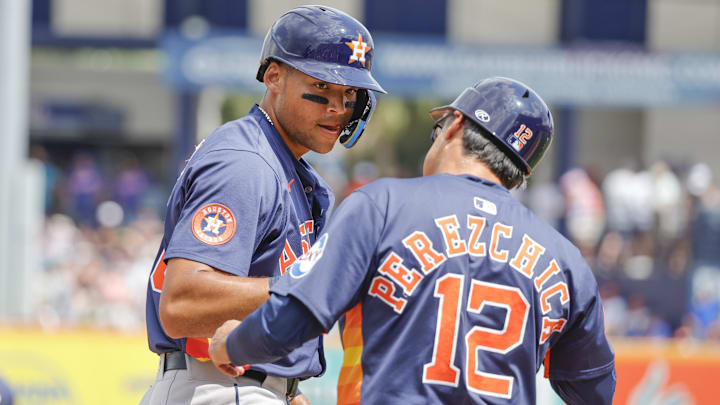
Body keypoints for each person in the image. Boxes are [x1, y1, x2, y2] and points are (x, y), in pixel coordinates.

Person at [209, 77, 616, 404]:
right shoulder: (565, 260)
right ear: (521, 172)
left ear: (455, 125)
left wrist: (232, 345)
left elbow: (291, 319)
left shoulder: (383, 204)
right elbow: (593, 391)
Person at [140, 5, 385, 405]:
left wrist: (289, 389)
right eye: (322, 86)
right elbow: (182, 301)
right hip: (217, 386)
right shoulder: (246, 162)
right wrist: (312, 286)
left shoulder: (284, 166)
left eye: (350, 93)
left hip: (246, 387)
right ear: (273, 76)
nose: (338, 107)